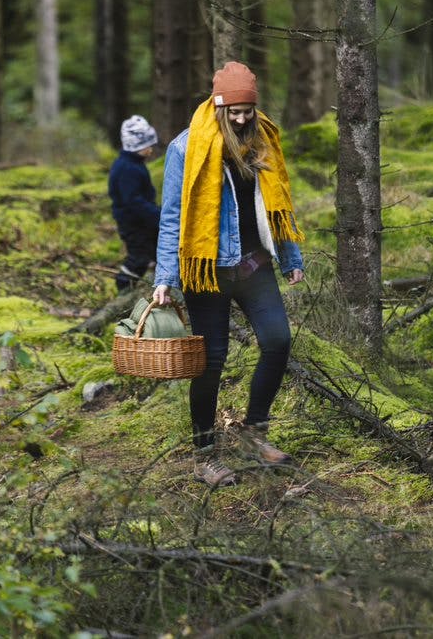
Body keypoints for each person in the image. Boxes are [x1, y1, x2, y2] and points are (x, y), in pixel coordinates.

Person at [153, 61, 305, 486]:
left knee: (277, 340)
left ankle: (255, 433)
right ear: (218, 106)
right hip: (207, 272)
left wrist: (290, 258)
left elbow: (279, 206)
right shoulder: (186, 148)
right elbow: (172, 218)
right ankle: (205, 456)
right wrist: (164, 277)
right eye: (233, 112)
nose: (241, 119)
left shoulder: (263, 142)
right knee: (211, 362)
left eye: (247, 111)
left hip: (254, 265)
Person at [108, 115, 161, 293]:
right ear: (135, 146)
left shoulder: (135, 163)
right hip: (134, 223)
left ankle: (160, 287)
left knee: (157, 251)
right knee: (139, 257)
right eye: (147, 145)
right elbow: (133, 201)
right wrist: (156, 214)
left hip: (144, 221)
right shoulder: (127, 168)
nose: (151, 149)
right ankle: (123, 286)